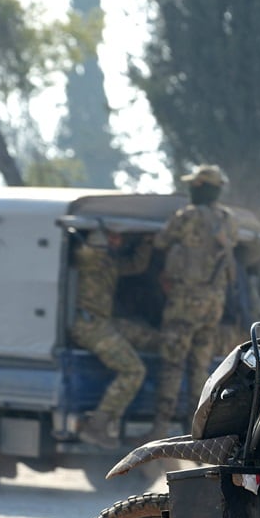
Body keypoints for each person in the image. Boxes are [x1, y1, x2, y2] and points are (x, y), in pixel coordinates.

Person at [144, 164, 238, 440]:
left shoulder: (186, 217)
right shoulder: (227, 219)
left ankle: (160, 428)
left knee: (173, 364)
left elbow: (161, 242)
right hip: (213, 307)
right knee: (200, 367)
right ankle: (196, 431)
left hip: (184, 304)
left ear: (199, 187)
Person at [70, 229, 162, 449]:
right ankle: (97, 425)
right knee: (134, 370)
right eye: (113, 237)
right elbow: (82, 251)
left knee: (155, 339)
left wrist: (146, 243)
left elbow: (136, 265)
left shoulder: (109, 262)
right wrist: (96, 238)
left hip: (102, 322)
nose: (118, 241)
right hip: (88, 326)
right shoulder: (88, 257)